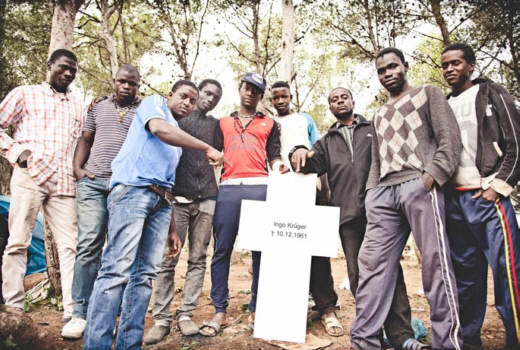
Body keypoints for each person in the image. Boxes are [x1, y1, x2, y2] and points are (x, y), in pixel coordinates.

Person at [83, 80, 226, 349]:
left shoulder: (176, 144)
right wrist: (206, 147)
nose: (188, 103)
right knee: (116, 270)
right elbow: (159, 129)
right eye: (184, 96)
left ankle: (129, 344)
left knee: (144, 276)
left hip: (160, 203)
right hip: (133, 192)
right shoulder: (155, 105)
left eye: (192, 101)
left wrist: (172, 229)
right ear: (170, 95)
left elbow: (167, 185)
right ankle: (97, 344)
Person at [291, 86, 425, 348]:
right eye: (333, 99)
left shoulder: (372, 128)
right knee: (358, 275)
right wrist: (296, 149)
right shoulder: (327, 141)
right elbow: (310, 162)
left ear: (352, 101)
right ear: (330, 107)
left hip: (382, 212)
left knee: (390, 271)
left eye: (343, 97)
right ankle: (370, 334)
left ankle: (401, 336)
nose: (339, 101)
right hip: (348, 218)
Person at [349, 47, 463, 350]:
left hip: (418, 185)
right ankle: (363, 341)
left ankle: (448, 343)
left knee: (435, 266)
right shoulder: (379, 113)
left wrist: (430, 177)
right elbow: (376, 160)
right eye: (381, 70)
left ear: (405, 66)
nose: (387, 73)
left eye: (392, 67)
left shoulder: (428, 94)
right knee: (370, 266)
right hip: (383, 195)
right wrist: (372, 194)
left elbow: (449, 140)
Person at [441, 43, 520, 350]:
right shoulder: (445, 103)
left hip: (488, 199)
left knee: (508, 275)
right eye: (445, 64)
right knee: (467, 278)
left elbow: (515, 143)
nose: (449, 69)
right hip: (456, 202)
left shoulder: (491, 93)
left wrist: (497, 186)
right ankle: (469, 340)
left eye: (456, 63)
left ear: (470, 66)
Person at [199, 73, 288, 337]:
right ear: (240, 90)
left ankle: (256, 308)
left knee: (260, 252)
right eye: (247, 88)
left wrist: (279, 166)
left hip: (259, 187)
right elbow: (214, 151)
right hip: (227, 189)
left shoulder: (270, 124)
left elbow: (273, 155)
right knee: (222, 249)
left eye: (256, 90)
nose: (250, 93)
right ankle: (220, 310)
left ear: (261, 96)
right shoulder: (223, 122)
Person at [0, 49, 84, 322]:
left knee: (70, 246)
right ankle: (14, 309)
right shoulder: (25, 93)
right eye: (63, 67)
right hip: (30, 176)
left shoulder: (77, 103)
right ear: (49, 66)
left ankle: (72, 312)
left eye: (73, 69)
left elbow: (82, 141)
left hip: (63, 182)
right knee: (18, 242)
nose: (68, 73)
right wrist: (16, 152)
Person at [61, 64, 141, 339]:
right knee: (89, 244)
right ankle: (79, 312)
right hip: (93, 183)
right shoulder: (98, 107)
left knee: (119, 250)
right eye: (122, 82)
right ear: (114, 81)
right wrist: (77, 169)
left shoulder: (143, 110)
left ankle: (110, 310)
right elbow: (85, 138)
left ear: (138, 85)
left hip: (124, 186)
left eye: (132, 83)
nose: (126, 87)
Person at [144, 79, 223, 344]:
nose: (210, 99)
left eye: (216, 96)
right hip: (176, 198)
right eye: (207, 93)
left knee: (199, 258)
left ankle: (186, 314)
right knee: (168, 259)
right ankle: (162, 318)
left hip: (207, 199)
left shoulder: (215, 125)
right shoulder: (174, 120)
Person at [270, 81, 343, 337]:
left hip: (307, 189)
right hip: (278, 192)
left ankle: (326, 308)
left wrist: (324, 191)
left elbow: (318, 155)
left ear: (291, 97)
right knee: (284, 250)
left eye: (284, 96)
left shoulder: (304, 119)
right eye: (275, 97)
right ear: (270, 99)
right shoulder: (268, 122)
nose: (280, 101)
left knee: (315, 249)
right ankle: (288, 310)